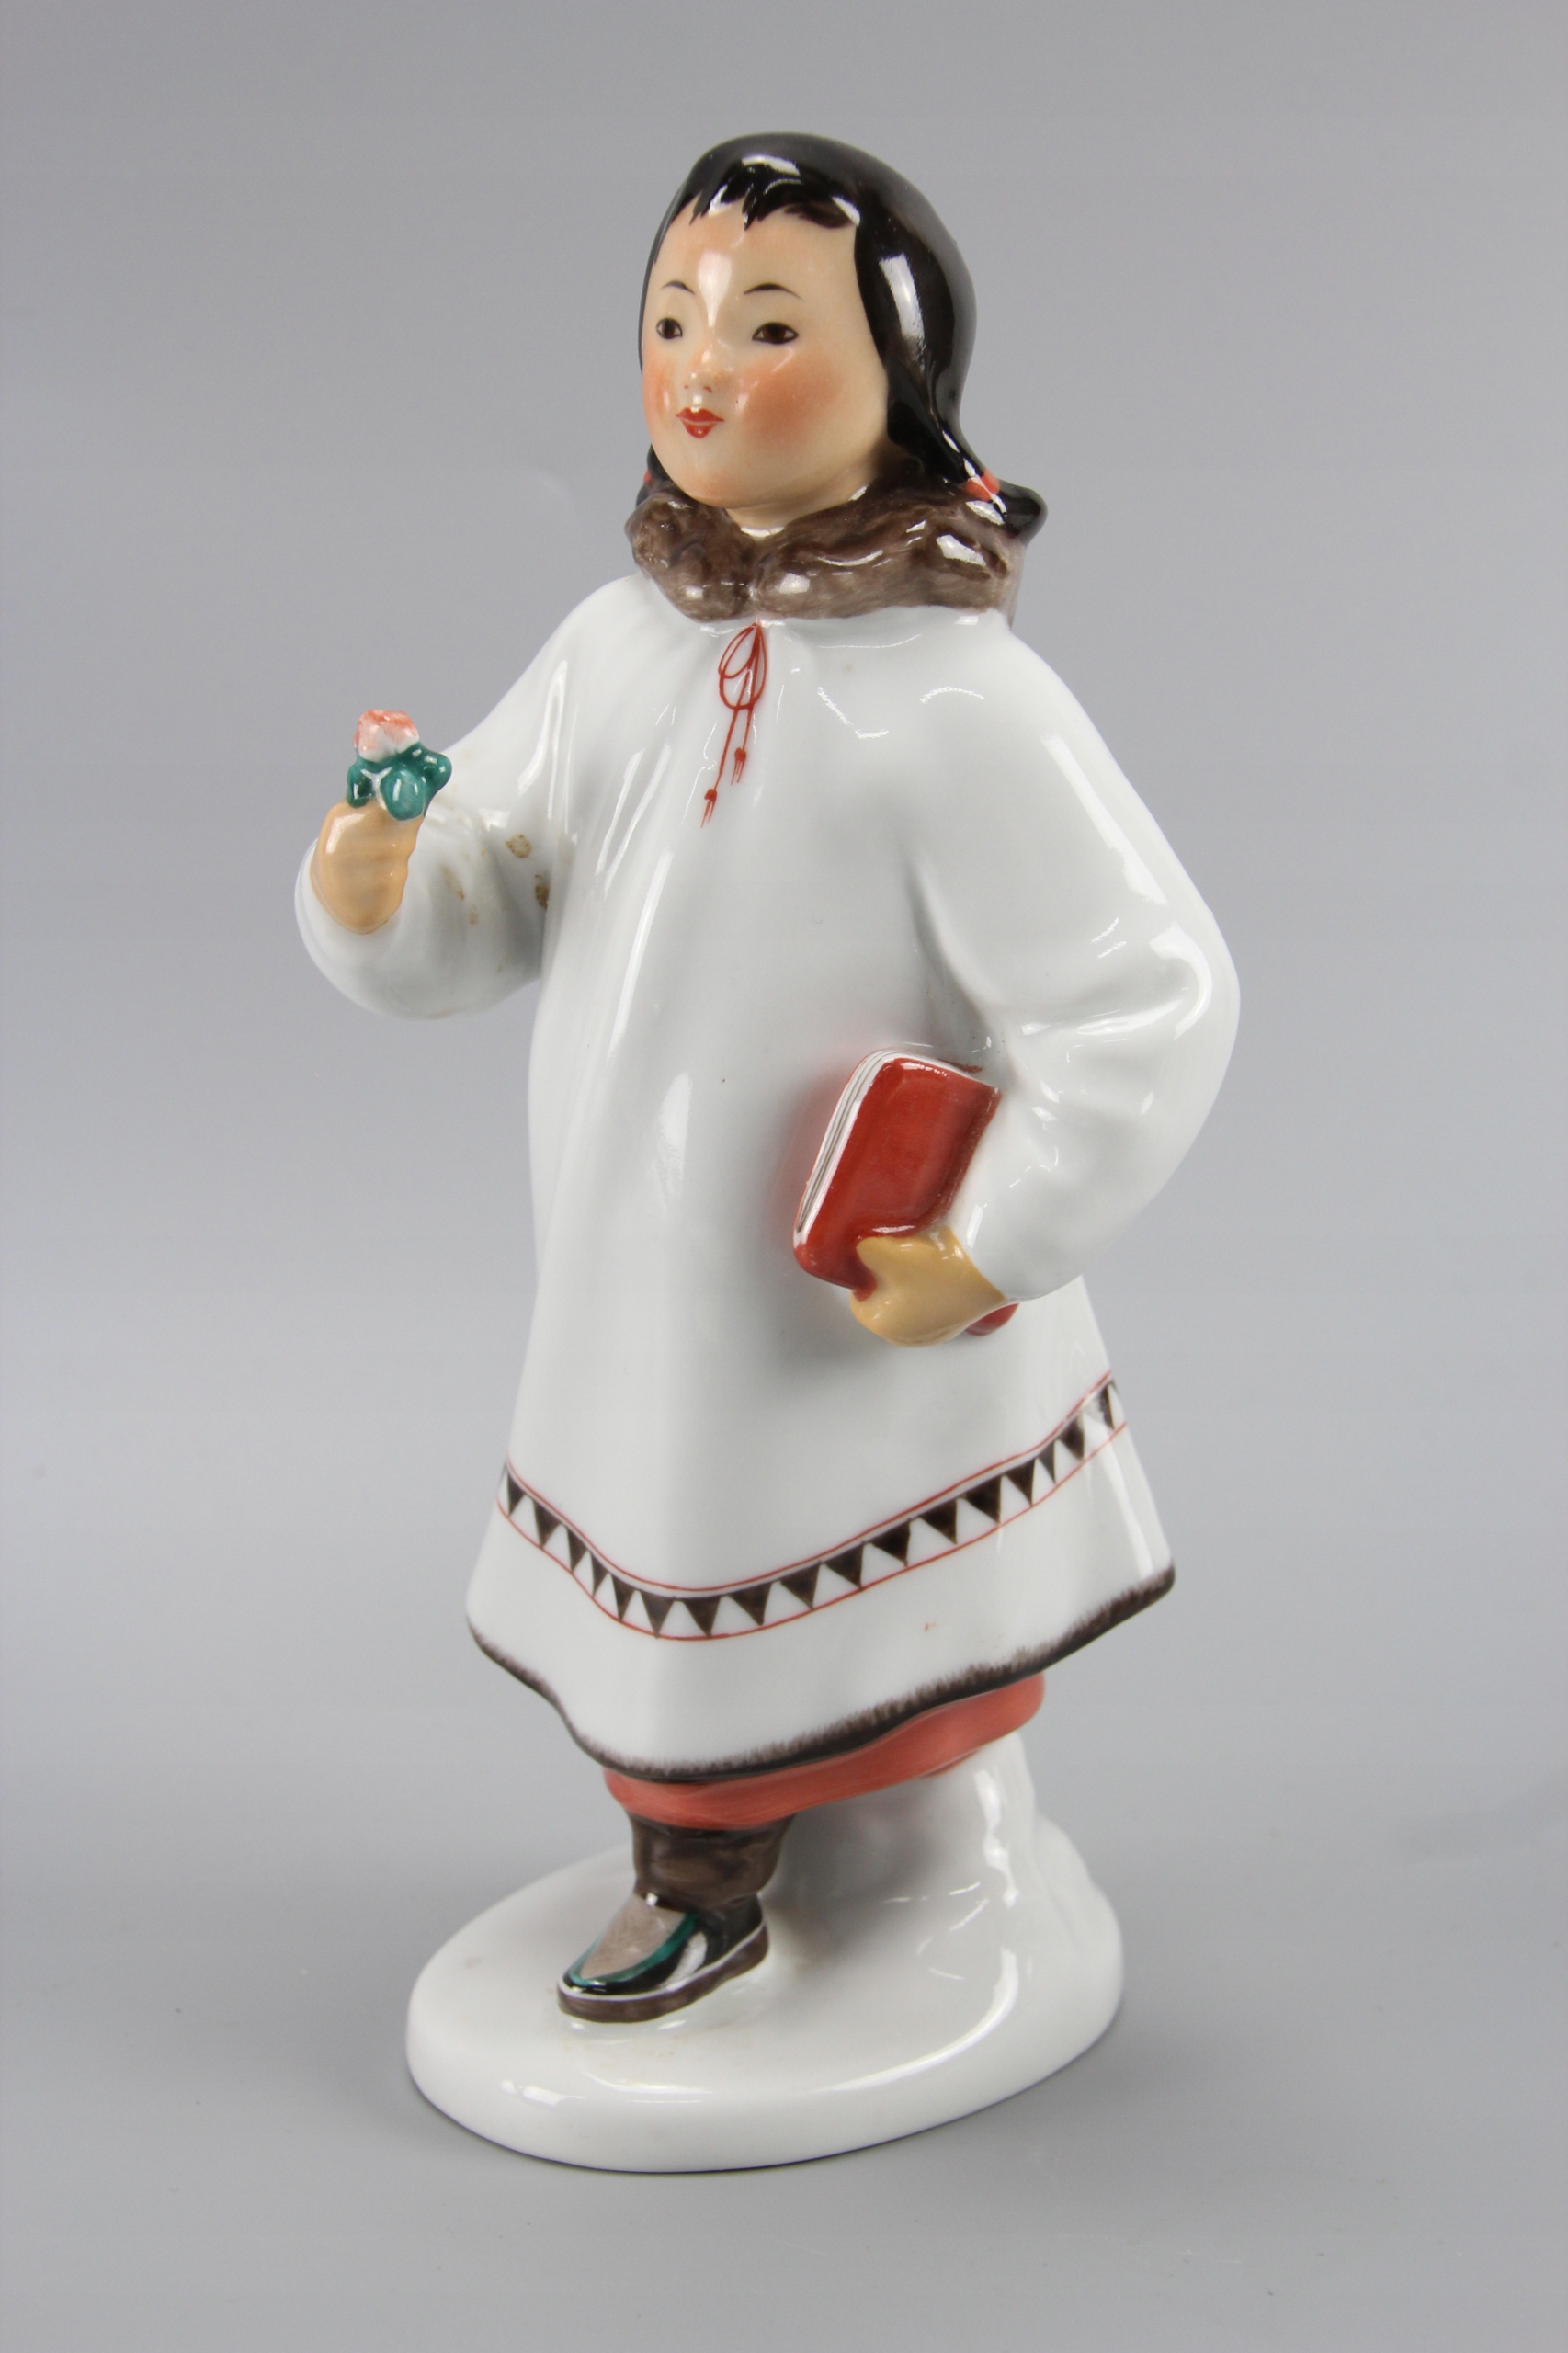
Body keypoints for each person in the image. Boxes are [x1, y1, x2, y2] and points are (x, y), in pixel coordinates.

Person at [297, 134, 1239, 2022]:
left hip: (854, 1276)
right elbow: (490, 887)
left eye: (771, 325)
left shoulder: (958, 701)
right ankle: (741, 1867)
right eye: (671, 319)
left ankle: (873, 1865)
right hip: (644, 1258)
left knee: (850, 1570)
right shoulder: (615, 646)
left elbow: (1146, 991)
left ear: (903, 381)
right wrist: (385, 875)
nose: (702, 366)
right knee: (681, 1537)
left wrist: (995, 1237)